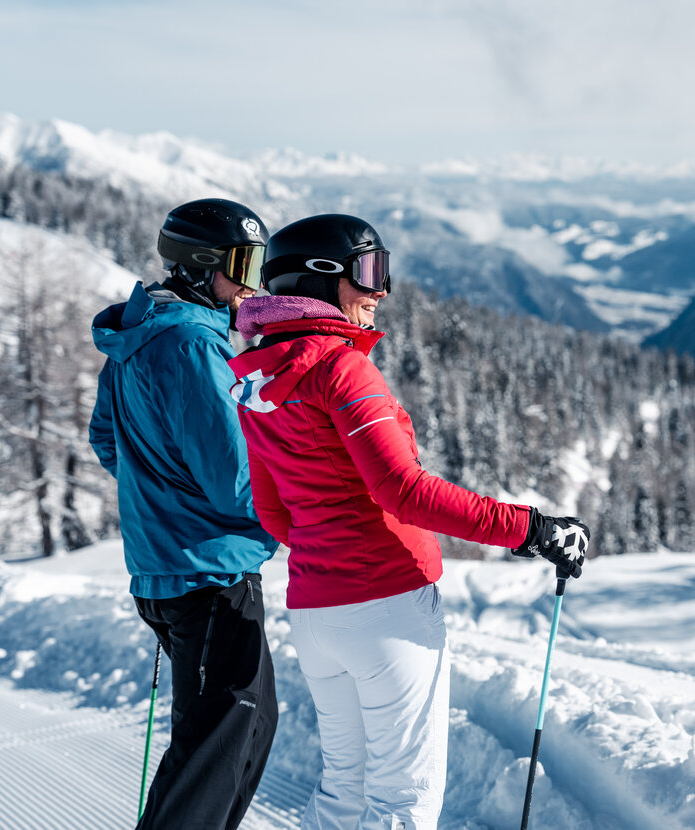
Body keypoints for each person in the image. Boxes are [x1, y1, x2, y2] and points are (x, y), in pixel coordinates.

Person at [226, 213, 589, 830]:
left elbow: (272, 511)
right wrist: (531, 529)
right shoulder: (341, 368)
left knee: (342, 793)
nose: (380, 292)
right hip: (387, 607)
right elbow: (404, 491)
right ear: (323, 278)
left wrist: (331, 546)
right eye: (370, 271)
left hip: (315, 612)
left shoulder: (258, 379)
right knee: (402, 806)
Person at [88, 197, 281, 830]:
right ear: (203, 266)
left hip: (171, 569)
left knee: (239, 734)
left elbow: (108, 442)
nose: (250, 284)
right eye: (242, 265)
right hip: (209, 575)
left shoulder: (138, 337)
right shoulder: (197, 347)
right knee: (214, 753)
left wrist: (161, 496)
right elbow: (235, 479)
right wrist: (299, 517)